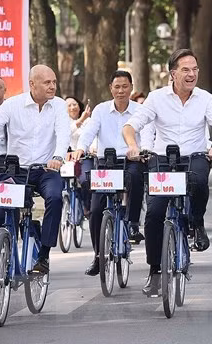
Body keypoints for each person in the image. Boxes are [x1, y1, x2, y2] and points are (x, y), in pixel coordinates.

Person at [123, 48, 212, 296]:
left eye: (195, 69)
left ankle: (197, 223)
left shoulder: (205, 98)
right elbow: (132, 125)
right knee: (154, 214)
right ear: (173, 74)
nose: (191, 74)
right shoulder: (156, 98)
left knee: (199, 182)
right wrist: (133, 146)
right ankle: (154, 270)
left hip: (195, 157)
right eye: (185, 69)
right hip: (162, 160)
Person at [0, 65, 70, 274]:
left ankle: (44, 255)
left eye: (54, 82)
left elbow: (63, 132)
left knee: (55, 198)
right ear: (32, 84)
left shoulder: (58, 105)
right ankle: (4, 250)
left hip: (46, 170)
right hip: (15, 170)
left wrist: (57, 157)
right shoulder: (13, 105)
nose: (52, 86)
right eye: (47, 82)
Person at [71, 71, 154, 276]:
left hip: (131, 160)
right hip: (105, 163)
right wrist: (81, 147)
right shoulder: (100, 110)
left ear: (131, 87)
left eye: (125, 86)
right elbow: (89, 131)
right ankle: (98, 256)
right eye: (117, 87)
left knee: (135, 177)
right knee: (96, 208)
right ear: (111, 88)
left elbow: (147, 134)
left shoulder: (140, 110)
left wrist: (143, 151)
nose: (120, 91)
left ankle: (133, 224)